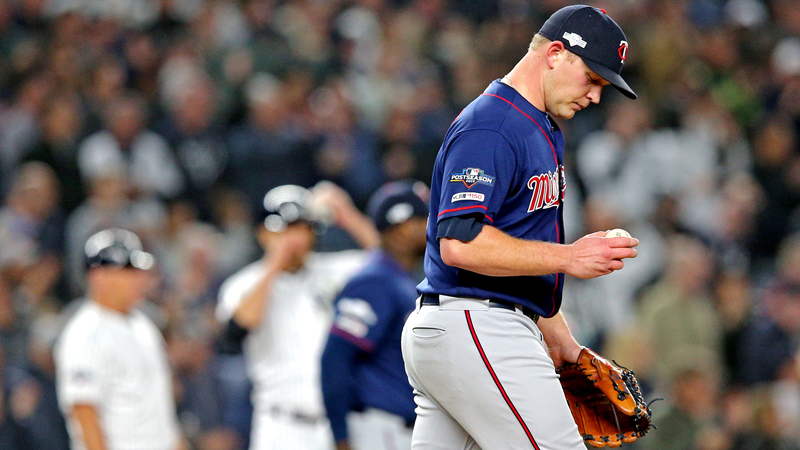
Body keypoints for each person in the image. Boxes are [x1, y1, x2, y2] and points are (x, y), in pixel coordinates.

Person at [401, 5, 640, 450]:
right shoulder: (492, 125)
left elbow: (519, 248)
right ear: (555, 53)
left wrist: (560, 338)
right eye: (592, 79)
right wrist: (571, 257)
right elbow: (460, 243)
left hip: (471, 326)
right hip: (477, 324)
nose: (595, 96)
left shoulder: (537, 125)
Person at [215, 182, 379, 450]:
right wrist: (275, 264)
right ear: (262, 234)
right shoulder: (244, 283)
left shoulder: (331, 269)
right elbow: (237, 330)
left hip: (341, 424)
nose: (293, 238)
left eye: (301, 227)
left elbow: (389, 262)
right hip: (282, 425)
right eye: (284, 229)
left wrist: (348, 216)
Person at [321, 180, 430, 450]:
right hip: (381, 430)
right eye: (422, 219)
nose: (431, 226)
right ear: (400, 228)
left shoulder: (402, 278)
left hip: (402, 429)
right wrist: (340, 437)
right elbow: (335, 359)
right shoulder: (374, 280)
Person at [54, 228, 184, 450]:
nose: (139, 279)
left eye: (139, 271)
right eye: (128, 271)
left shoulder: (144, 324)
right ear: (98, 276)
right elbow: (84, 414)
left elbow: (162, 415)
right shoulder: (86, 333)